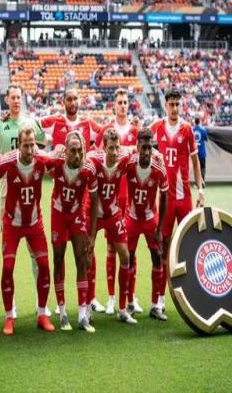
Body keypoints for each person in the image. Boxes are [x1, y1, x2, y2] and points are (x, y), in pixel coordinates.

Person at [0, 84, 51, 318]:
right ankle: (12, 306)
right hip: (7, 188)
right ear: (7, 100)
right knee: (10, 250)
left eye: (19, 97)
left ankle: (41, 303)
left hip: (30, 186)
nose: (16, 101)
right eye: (13, 98)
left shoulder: (30, 123)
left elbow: (45, 140)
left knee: (34, 251)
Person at [40, 87, 105, 313]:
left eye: (76, 98)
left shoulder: (89, 125)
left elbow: (106, 136)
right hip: (61, 193)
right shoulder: (54, 122)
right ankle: (61, 305)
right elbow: (32, 127)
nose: (73, 102)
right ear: (63, 101)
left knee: (86, 251)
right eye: (69, 98)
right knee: (59, 255)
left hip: (82, 197)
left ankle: (90, 298)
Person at [0, 127, 55, 336]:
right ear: (18, 146)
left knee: (44, 266)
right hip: (12, 224)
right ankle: (9, 316)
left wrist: (62, 151)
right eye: (26, 145)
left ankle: (42, 314)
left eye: (33, 145)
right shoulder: (8, 162)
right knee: (7, 268)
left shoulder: (42, 160)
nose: (30, 150)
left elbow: (60, 162)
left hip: (34, 223)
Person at [150, 89, 204, 312]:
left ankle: (192, 295)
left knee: (188, 246)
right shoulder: (156, 127)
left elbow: (195, 162)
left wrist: (201, 190)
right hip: (165, 200)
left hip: (184, 199)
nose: (174, 108)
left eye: (177, 104)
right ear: (165, 105)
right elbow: (142, 146)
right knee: (163, 248)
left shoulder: (187, 129)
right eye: (171, 104)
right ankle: (160, 299)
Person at [48, 130, 98, 332]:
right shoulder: (57, 162)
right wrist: (52, 151)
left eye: (80, 151)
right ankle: (62, 313)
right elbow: (39, 159)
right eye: (73, 151)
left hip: (77, 215)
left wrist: (92, 235)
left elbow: (94, 202)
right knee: (58, 259)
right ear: (66, 151)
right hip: (59, 215)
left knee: (82, 260)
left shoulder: (88, 169)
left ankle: (82, 315)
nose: (77, 155)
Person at [96, 88, 140, 315]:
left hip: (129, 198)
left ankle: (131, 297)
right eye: (119, 102)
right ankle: (112, 297)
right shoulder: (107, 131)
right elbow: (97, 158)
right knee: (111, 247)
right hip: (110, 199)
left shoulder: (135, 131)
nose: (122, 105)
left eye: (125, 102)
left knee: (130, 248)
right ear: (114, 105)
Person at [87, 129, 135, 324]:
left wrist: (156, 153)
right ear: (103, 148)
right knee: (86, 254)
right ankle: (87, 305)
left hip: (113, 213)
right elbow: (77, 158)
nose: (115, 152)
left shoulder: (124, 157)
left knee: (125, 255)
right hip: (93, 213)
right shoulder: (92, 159)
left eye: (117, 147)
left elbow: (135, 150)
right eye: (111, 148)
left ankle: (122, 309)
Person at [124, 128, 168, 321]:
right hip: (132, 218)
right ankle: (130, 302)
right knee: (129, 258)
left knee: (157, 257)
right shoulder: (129, 164)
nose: (147, 152)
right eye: (144, 147)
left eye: (150, 147)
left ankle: (155, 305)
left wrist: (160, 229)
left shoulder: (159, 168)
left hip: (151, 219)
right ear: (137, 147)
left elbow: (164, 197)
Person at [192, 117, 208, 186]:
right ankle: (202, 182)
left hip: (194, 152)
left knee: (195, 167)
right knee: (202, 167)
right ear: (200, 121)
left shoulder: (192, 130)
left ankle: (197, 183)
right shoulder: (203, 130)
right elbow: (206, 139)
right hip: (202, 152)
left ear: (194, 122)